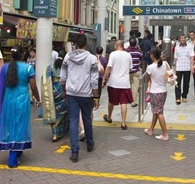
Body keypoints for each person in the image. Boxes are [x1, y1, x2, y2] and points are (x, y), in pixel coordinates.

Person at [0, 46, 39, 169]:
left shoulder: (5, 68)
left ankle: (18, 150)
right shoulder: (28, 68)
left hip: (8, 101)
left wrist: (0, 102)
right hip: (22, 102)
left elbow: (1, 86)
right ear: (23, 56)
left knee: (10, 125)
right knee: (20, 125)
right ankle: (12, 158)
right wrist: (38, 99)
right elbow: (33, 87)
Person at [60, 34, 99, 163]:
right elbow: (94, 80)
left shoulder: (67, 57)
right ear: (86, 44)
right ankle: (89, 144)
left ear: (75, 44)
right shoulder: (92, 59)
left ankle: (74, 152)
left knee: (74, 121)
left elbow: (63, 76)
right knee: (87, 118)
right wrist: (96, 96)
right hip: (86, 94)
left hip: (71, 93)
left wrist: (63, 90)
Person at [102, 40, 133, 130]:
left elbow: (108, 67)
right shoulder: (128, 55)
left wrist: (104, 78)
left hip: (114, 82)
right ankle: (123, 123)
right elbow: (130, 69)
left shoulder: (113, 54)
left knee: (111, 101)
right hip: (125, 83)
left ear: (116, 45)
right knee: (123, 103)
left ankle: (109, 117)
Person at [42, 50, 69, 142]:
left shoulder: (49, 68)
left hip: (52, 91)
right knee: (63, 112)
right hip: (62, 91)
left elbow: (44, 79)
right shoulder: (66, 67)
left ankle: (54, 134)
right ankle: (61, 132)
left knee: (53, 112)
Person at [143, 47, 169, 140]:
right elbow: (170, 75)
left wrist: (149, 88)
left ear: (152, 55)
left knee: (159, 112)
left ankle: (165, 134)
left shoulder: (150, 67)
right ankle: (150, 130)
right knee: (156, 111)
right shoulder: (165, 63)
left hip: (155, 92)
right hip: (163, 91)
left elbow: (148, 79)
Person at [173, 34, 194, 104]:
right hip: (179, 68)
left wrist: (192, 67)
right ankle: (178, 98)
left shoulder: (190, 47)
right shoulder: (176, 47)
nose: (183, 39)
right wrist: (175, 69)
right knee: (177, 83)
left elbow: (192, 57)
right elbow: (175, 58)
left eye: (184, 38)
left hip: (187, 67)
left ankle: (184, 95)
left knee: (186, 83)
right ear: (179, 39)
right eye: (181, 38)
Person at [126, 37, 143, 107]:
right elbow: (141, 61)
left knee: (128, 86)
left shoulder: (126, 52)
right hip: (136, 71)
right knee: (135, 87)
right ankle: (133, 101)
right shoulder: (139, 52)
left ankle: (127, 100)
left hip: (127, 71)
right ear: (136, 44)